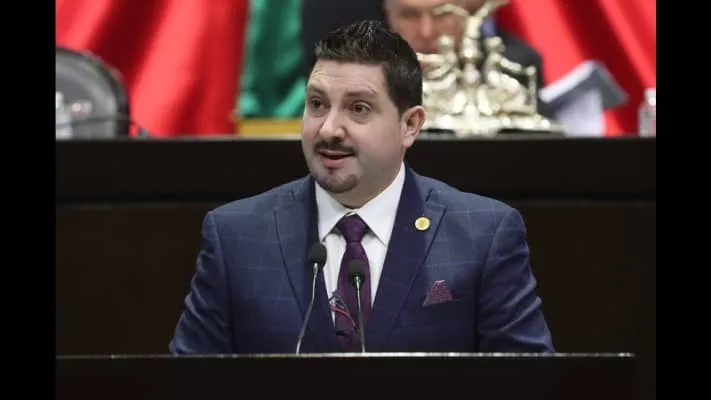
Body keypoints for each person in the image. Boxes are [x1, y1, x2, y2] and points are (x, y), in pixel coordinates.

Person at [169, 20, 553, 354]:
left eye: (358, 109)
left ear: (410, 125)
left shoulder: (482, 235)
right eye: (317, 104)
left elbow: (528, 382)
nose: (329, 129)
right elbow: (188, 383)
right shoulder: (235, 236)